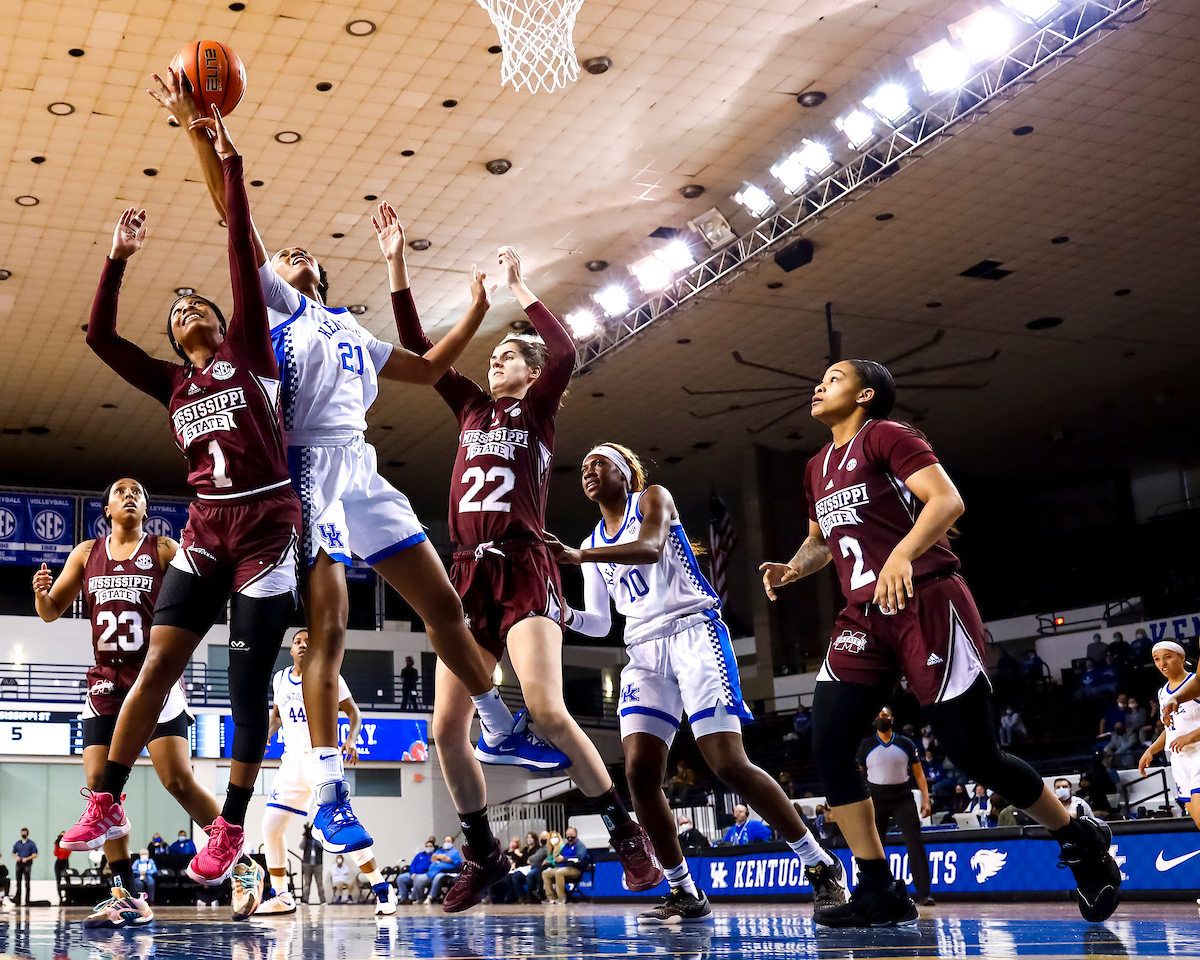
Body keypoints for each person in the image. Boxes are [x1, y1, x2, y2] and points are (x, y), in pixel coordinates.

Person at [156, 73, 549, 866]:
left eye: (305, 255)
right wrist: (201, 134)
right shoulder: (277, 308)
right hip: (301, 474)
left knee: (442, 604)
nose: (294, 254)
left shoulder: (351, 334)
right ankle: (331, 790)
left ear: (326, 279)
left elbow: (434, 366)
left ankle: (502, 721)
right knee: (326, 632)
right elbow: (236, 220)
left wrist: (469, 304)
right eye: (288, 254)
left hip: (360, 471)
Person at [758, 359, 1121, 926]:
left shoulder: (887, 435)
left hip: (927, 601)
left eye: (833, 378)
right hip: (864, 616)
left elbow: (947, 501)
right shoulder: (815, 467)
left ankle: (1078, 837)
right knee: (829, 746)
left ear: (865, 395)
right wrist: (792, 569)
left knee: (976, 758)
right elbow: (820, 543)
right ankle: (878, 887)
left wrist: (902, 553)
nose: (818, 384)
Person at [391, 213, 657, 911]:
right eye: (493, 358)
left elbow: (566, 351)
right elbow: (421, 350)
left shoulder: (537, 410)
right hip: (466, 575)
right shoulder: (471, 410)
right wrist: (397, 269)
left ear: (531, 373)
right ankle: (483, 855)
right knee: (446, 732)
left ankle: (625, 834)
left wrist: (520, 289)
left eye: (506, 356)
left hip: (522, 566)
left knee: (544, 706)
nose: (493, 363)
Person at [67, 105, 290, 923]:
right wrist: (116, 259)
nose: (189, 307)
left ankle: (231, 827)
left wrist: (229, 163)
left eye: (199, 304)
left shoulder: (251, 352)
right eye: (178, 311)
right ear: (172, 337)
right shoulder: (173, 384)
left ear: (224, 322)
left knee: (243, 685)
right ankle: (107, 801)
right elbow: (98, 335)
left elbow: (237, 255)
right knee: (156, 669)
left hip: (266, 525)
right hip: (204, 528)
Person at [549, 442, 845, 924]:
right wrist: (557, 613)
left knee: (728, 763)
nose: (587, 470)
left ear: (626, 473)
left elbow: (648, 549)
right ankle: (684, 890)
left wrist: (579, 556)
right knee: (640, 774)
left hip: (693, 632)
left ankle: (820, 864)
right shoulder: (591, 542)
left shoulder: (652, 500)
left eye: (598, 463)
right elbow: (600, 623)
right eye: (582, 466)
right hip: (643, 652)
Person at [33, 477, 224, 926]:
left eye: (138, 491)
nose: (131, 495)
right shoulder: (85, 553)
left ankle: (243, 863)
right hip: (106, 681)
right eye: (121, 491)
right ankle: (126, 895)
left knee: (177, 780)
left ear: (145, 508)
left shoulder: (163, 549)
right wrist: (41, 594)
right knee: (101, 785)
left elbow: (205, 584)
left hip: (153, 677)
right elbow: (50, 611)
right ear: (106, 509)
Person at [257, 630, 396, 916]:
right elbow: (277, 716)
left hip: (321, 758)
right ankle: (282, 895)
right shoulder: (280, 679)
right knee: (270, 827)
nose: (304, 645)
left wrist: (352, 740)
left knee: (345, 833)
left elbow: (354, 713)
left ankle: (382, 889)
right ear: (291, 650)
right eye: (298, 642)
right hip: (292, 761)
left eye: (309, 640)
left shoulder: (330, 674)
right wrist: (265, 735)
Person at [857, 708, 934, 906]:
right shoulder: (866, 745)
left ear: (892, 719)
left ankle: (925, 893)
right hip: (876, 798)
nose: (882, 719)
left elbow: (919, 774)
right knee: (874, 846)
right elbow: (858, 776)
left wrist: (926, 799)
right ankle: (874, 891)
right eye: (879, 716)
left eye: (885, 716)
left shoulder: (905, 743)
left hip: (902, 797)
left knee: (914, 842)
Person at [1143, 641, 1200, 831]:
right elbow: (1170, 730)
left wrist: (1192, 735)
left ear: (1182, 657)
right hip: (1179, 760)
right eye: (1157, 659)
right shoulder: (1162, 693)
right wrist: (1151, 750)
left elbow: (1186, 733)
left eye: (1167, 657)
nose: (1162, 664)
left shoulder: (1195, 683)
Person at [542, 826, 589, 905]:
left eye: (572, 835)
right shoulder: (566, 846)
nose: (570, 838)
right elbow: (559, 856)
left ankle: (561, 898)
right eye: (568, 835)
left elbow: (579, 859)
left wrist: (564, 859)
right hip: (562, 867)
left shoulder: (580, 845)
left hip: (574, 869)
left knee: (559, 872)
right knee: (546, 873)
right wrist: (556, 859)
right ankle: (551, 897)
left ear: (576, 835)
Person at [396, 838, 436, 905]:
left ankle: (416, 899)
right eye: (427, 846)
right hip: (414, 874)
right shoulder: (419, 855)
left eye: (430, 846)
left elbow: (432, 867)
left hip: (424, 874)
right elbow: (413, 865)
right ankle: (403, 898)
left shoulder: (434, 856)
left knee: (418, 879)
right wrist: (413, 872)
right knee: (401, 878)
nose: (428, 848)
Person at [425, 838, 463, 904]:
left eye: (448, 841)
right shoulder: (440, 851)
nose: (446, 843)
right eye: (445, 841)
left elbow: (448, 859)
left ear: (452, 843)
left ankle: (431, 896)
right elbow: (433, 858)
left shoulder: (454, 851)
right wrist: (443, 857)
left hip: (447, 872)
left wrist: (439, 857)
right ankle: (417, 898)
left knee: (437, 877)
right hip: (432, 872)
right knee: (420, 879)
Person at [299, 823, 324, 904]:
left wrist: (316, 838)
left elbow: (321, 847)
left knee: (319, 883)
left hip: (318, 864)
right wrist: (305, 836)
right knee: (307, 883)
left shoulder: (320, 838)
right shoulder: (307, 839)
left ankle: (322, 900)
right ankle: (305, 900)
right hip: (307, 863)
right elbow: (301, 847)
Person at [12, 830, 36, 906]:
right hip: (19, 863)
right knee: (18, 881)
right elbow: (13, 852)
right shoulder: (18, 843)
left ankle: (27, 900)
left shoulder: (31, 843)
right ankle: (18, 900)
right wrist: (16, 857)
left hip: (27, 863)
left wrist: (27, 858)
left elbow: (35, 854)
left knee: (27, 882)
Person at [53, 833, 71, 901]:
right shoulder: (58, 845)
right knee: (58, 880)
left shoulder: (67, 845)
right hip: (59, 862)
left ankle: (68, 897)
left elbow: (68, 854)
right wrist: (56, 845)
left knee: (67, 879)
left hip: (65, 862)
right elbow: (55, 854)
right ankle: (60, 898)